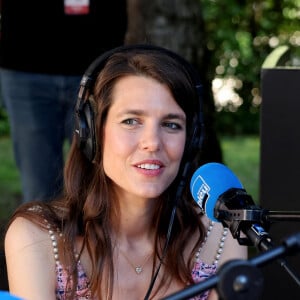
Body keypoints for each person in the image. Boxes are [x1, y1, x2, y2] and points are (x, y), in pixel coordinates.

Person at [4, 45, 248, 300]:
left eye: (171, 124)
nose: (152, 142)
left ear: (191, 141)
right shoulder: (37, 238)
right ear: (93, 133)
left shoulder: (220, 233)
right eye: (131, 121)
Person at [0, 0, 128, 202]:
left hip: (100, 66)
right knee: (39, 188)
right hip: (24, 66)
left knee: (100, 183)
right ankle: (42, 233)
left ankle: (96, 233)